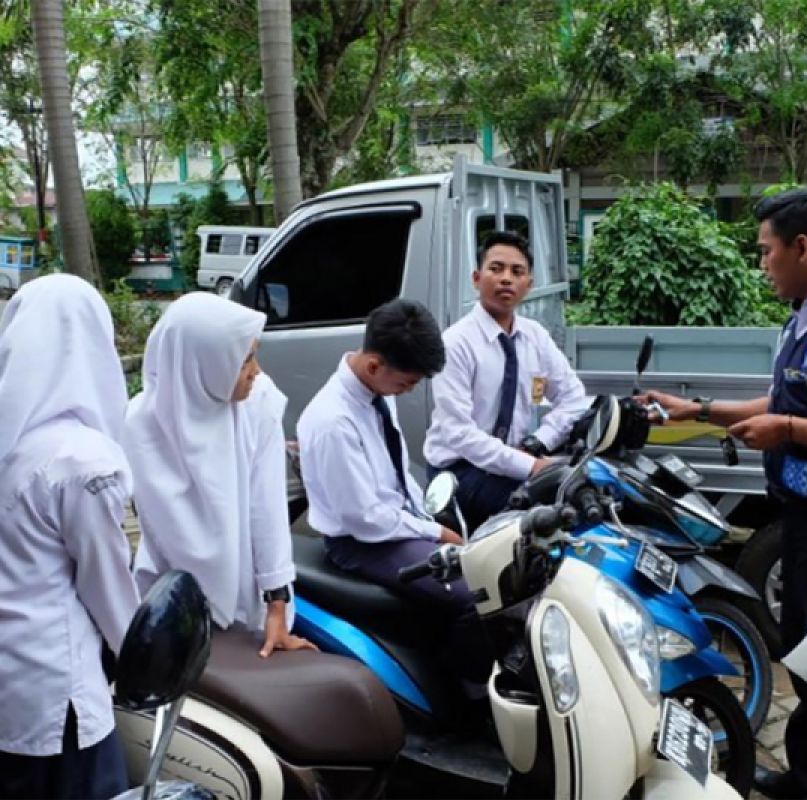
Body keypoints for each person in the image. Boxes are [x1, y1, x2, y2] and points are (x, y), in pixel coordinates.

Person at [644, 189, 807, 798]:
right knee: (805, 653)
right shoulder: (801, 318)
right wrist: (702, 410)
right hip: (805, 518)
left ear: (800, 246)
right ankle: (804, 774)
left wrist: (787, 431)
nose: (761, 264)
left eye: (766, 251)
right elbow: (786, 403)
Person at [296, 298, 492, 701]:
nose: (411, 389)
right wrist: (435, 531)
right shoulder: (333, 421)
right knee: (481, 594)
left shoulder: (377, 395)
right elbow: (364, 519)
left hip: (395, 524)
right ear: (373, 365)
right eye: (408, 381)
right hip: (362, 543)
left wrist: (430, 521)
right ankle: (465, 698)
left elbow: (398, 475)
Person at [0, 275, 141, 799]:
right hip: (59, 692)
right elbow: (107, 589)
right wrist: (145, 659)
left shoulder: (11, 439)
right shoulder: (81, 458)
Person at [126, 292, 314, 658]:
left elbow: (268, 508)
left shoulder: (258, 404)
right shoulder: (140, 426)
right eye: (246, 358)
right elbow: (159, 529)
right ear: (202, 363)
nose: (256, 370)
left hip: (247, 588)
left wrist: (276, 601)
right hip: (168, 596)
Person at [424, 231, 589, 530]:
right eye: (496, 269)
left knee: (592, 494)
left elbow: (574, 398)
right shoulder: (456, 343)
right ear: (476, 278)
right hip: (462, 471)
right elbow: (459, 433)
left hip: (520, 460)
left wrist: (539, 442)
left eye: (517, 272)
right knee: (552, 514)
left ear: (529, 284)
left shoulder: (535, 336)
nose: (506, 279)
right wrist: (532, 466)